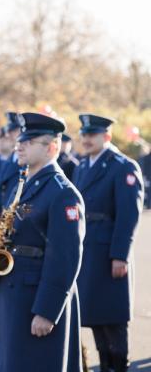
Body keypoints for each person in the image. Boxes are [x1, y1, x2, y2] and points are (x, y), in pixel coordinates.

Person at [0, 112, 84, 372]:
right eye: (20, 140)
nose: (20, 145)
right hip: (13, 293)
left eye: (29, 141)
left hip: (35, 299)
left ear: (52, 147)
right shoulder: (22, 183)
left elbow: (66, 258)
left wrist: (47, 311)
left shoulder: (63, 193)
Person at [73, 114, 144, 372]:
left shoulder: (122, 166)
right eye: (84, 134)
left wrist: (120, 255)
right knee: (96, 318)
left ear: (107, 136)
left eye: (92, 135)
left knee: (113, 321)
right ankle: (105, 366)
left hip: (108, 252)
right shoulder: (83, 166)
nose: (86, 139)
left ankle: (118, 366)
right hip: (87, 249)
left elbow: (128, 215)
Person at [0, 112, 21, 234]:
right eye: (9, 132)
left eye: (13, 132)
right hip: (0, 229)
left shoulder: (28, 164)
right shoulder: (9, 161)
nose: (9, 135)